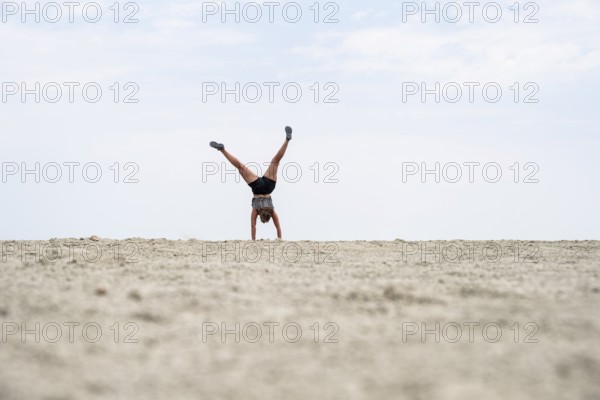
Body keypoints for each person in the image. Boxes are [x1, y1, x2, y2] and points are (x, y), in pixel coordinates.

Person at [210, 126, 292, 240]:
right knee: (240, 166)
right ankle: (222, 150)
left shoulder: (272, 210)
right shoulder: (257, 210)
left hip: (269, 186)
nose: (262, 222)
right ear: (262, 217)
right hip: (258, 188)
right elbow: (253, 226)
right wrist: (253, 241)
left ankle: (287, 140)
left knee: (276, 161)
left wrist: (280, 238)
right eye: (262, 221)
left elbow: (278, 227)